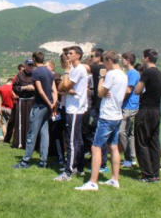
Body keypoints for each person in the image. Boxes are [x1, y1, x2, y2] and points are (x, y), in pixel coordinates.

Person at [76, 51, 127, 191]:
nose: (104, 64)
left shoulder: (110, 74)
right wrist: (106, 91)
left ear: (110, 60)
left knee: (96, 147)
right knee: (113, 147)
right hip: (117, 114)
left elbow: (99, 92)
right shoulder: (123, 74)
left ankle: (93, 182)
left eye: (105, 61)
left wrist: (103, 77)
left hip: (107, 116)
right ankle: (115, 179)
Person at [13, 51, 57, 169]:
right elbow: (54, 90)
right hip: (47, 107)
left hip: (39, 106)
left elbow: (40, 90)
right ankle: (43, 161)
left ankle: (25, 161)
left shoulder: (36, 72)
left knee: (32, 134)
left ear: (34, 59)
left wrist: (48, 103)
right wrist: (53, 104)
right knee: (44, 133)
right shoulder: (49, 72)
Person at [54, 46, 89, 181]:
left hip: (75, 109)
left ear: (78, 56)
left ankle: (68, 172)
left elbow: (65, 86)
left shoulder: (77, 69)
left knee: (72, 141)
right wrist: (66, 86)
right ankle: (78, 167)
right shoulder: (74, 70)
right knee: (77, 140)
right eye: (67, 53)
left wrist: (67, 72)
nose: (68, 55)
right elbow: (60, 88)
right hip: (73, 108)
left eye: (71, 53)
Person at [134, 49, 161, 182]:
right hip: (157, 111)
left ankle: (147, 174)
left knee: (141, 142)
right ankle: (155, 173)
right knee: (153, 141)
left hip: (146, 110)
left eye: (142, 57)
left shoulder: (147, 73)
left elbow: (137, 90)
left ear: (146, 58)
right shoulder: (159, 73)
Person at [86, 48, 109, 173]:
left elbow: (84, 66)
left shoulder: (98, 68)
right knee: (95, 133)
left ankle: (101, 163)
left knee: (94, 133)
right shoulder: (104, 69)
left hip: (97, 107)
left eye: (92, 56)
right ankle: (98, 160)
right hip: (98, 106)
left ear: (99, 58)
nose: (90, 58)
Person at [119, 52, 140, 168]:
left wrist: (119, 101)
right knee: (130, 134)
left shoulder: (133, 73)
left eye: (123, 59)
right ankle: (132, 158)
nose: (122, 61)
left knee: (122, 132)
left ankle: (128, 158)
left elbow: (128, 90)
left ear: (128, 60)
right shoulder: (130, 73)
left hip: (129, 107)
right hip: (129, 106)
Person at [11, 59, 36, 148]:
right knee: (20, 122)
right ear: (25, 65)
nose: (30, 67)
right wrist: (24, 88)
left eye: (32, 65)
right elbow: (14, 87)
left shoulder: (35, 74)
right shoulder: (20, 75)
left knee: (32, 122)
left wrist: (34, 89)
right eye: (29, 65)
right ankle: (20, 142)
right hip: (22, 101)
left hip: (32, 101)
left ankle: (32, 143)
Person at [3, 64, 25, 143]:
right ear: (19, 70)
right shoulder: (16, 77)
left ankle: (20, 139)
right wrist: (14, 95)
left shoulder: (25, 77)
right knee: (12, 121)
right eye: (22, 69)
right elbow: (11, 88)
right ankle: (7, 139)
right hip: (16, 102)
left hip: (24, 101)